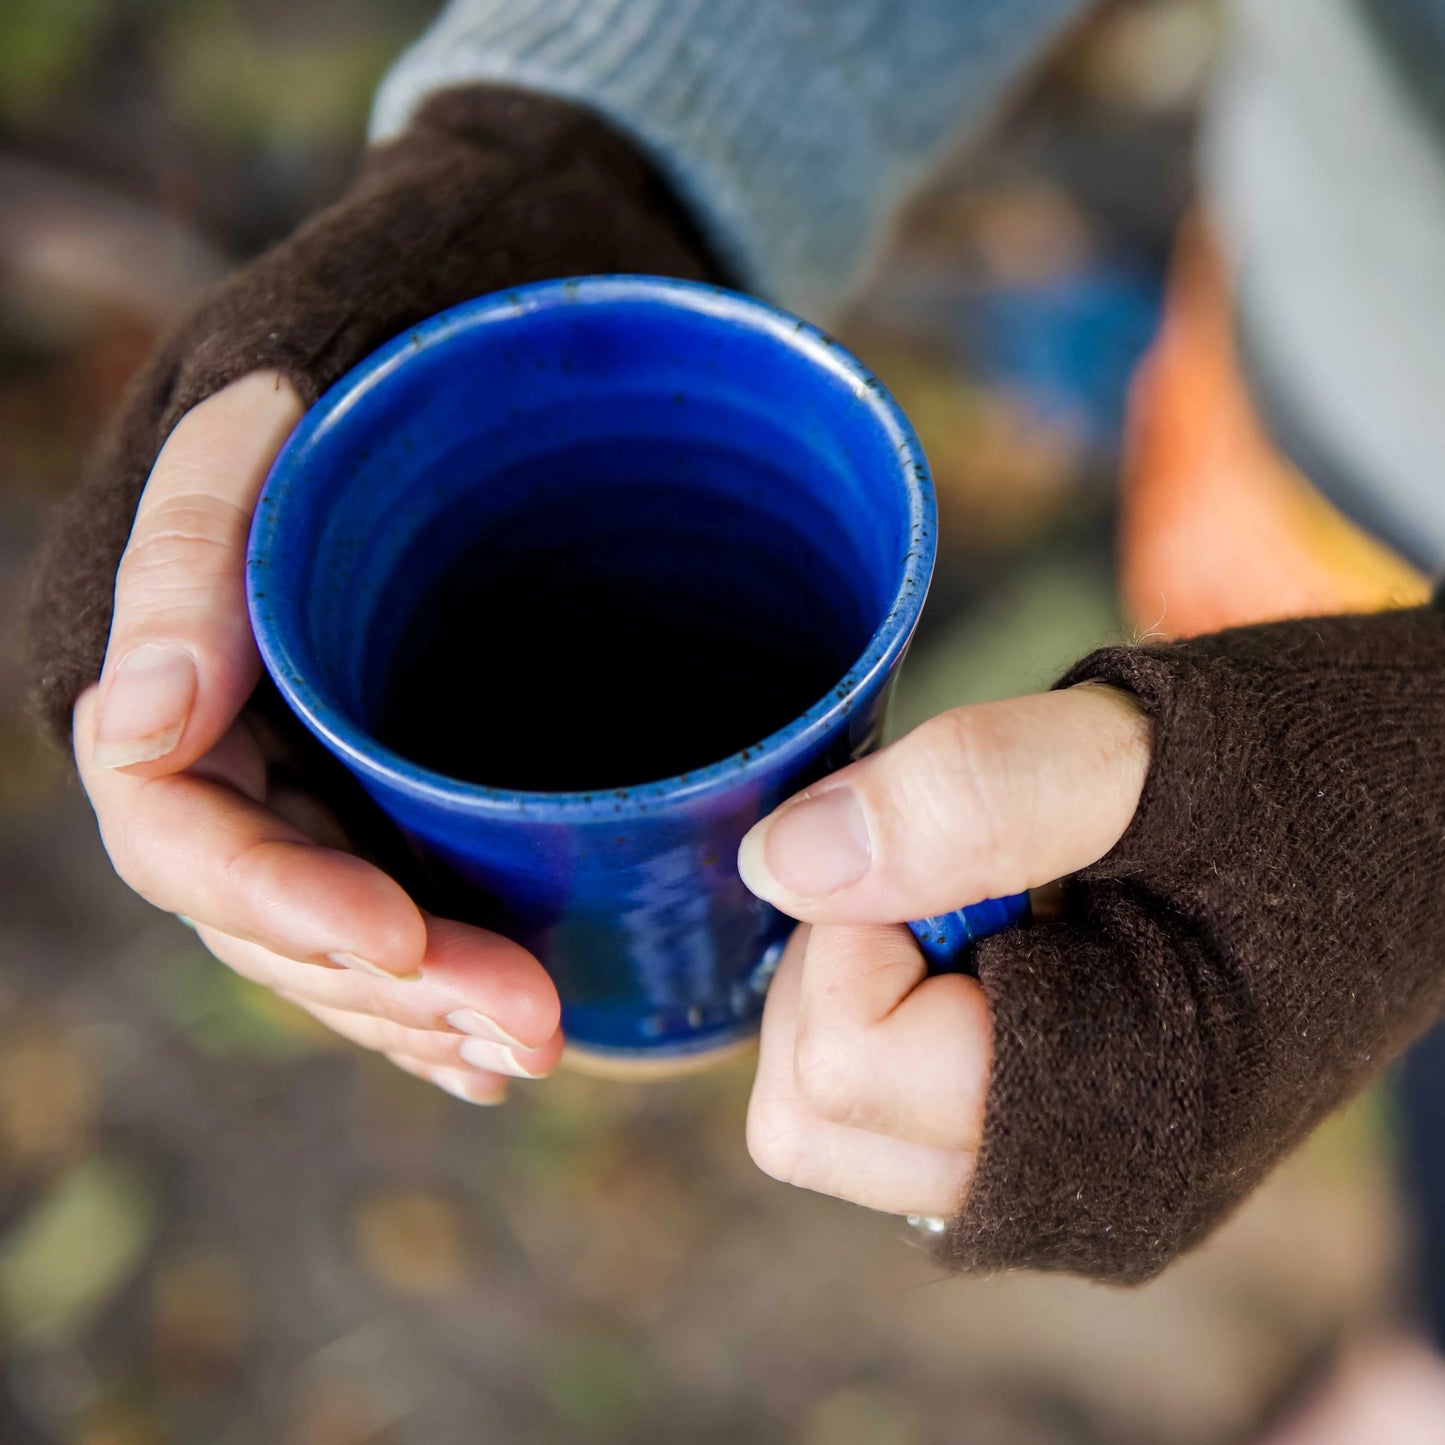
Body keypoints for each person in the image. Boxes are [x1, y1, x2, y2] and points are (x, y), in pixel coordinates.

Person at [22, 0, 1445, 1374]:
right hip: (1333, 360)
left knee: (1378, 979)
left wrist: (1413, 805)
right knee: (1306, 904)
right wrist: (586, 150)